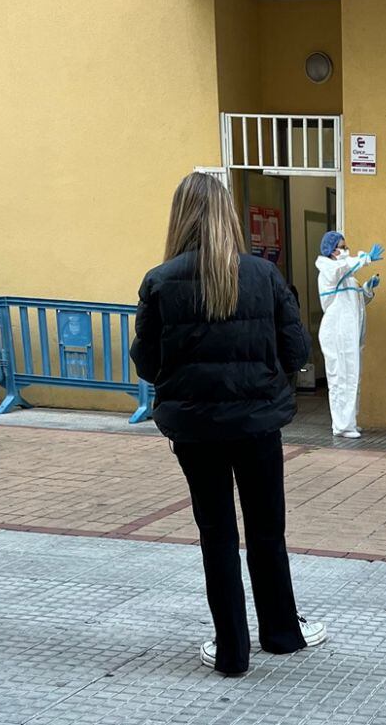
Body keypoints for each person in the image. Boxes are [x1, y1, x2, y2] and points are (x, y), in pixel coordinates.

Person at [130, 172, 325, 676]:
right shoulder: (263, 276)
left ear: (180, 217)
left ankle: (231, 651)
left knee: (216, 534)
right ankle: (282, 633)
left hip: (195, 430)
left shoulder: (159, 280)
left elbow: (148, 364)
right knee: (267, 530)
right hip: (258, 424)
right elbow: (297, 351)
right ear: (229, 216)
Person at [315, 231, 384, 438]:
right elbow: (342, 268)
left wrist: (367, 289)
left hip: (349, 334)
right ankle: (342, 426)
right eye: (342, 246)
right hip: (336, 333)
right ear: (331, 250)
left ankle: (350, 421)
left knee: (352, 376)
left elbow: (358, 303)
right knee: (340, 378)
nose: (346, 250)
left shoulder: (348, 278)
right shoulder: (328, 269)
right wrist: (365, 258)